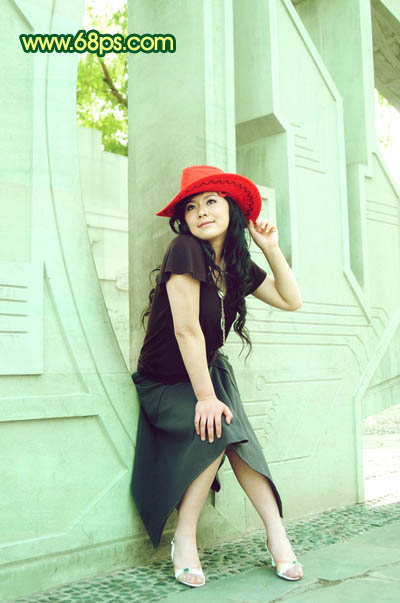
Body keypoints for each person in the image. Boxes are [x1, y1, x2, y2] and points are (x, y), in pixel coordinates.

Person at [130, 165, 304, 588]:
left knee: (242, 441)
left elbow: (291, 299)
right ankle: (185, 538)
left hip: (207, 371)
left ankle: (276, 534)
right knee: (218, 429)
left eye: (211, 201)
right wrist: (206, 399)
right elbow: (186, 330)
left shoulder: (237, 264)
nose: (201, 212)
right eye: (191, 207)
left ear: (231, 209)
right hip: (165, 381)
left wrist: (270, 248)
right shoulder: (185, 250)